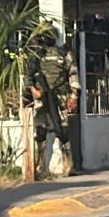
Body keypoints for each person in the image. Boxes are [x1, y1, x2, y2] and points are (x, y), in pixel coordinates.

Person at [22, 26, 79, 178]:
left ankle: (69, 165)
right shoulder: (36, 55)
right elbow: (28, 77)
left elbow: (73, 73)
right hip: (42, 97)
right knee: (40, 131)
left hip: (60, 97)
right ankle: (39, 166)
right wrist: (34, 91)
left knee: (63, 130)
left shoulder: (64, 54)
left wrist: (73, 95)